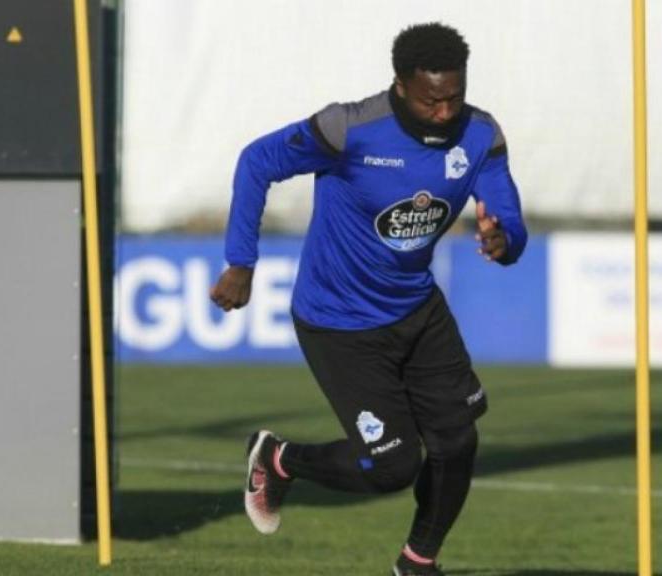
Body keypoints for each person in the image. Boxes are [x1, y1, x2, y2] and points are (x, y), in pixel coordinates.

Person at [211, 22, 527, 576]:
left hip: (418, 311)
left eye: (455, 96)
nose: (444, 111)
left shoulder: (481, 136)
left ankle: (417, 563)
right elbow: (256, 161)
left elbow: (508, 216)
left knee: (457, 442)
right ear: (401, 86)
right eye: (432, 100)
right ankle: (279, 460)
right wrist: (241, 261)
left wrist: (505, 241)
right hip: (339, 323)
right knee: (392, 465)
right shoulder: (348, 130)